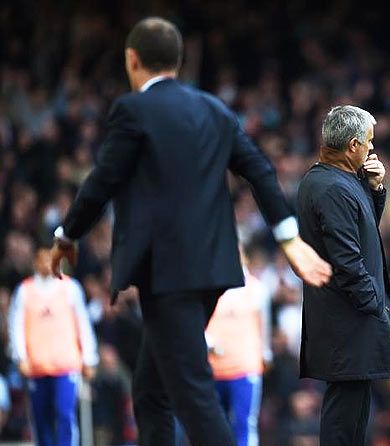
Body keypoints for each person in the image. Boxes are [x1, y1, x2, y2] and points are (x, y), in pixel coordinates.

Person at [49, 17, 332, 446]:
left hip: (168, 274)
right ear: (177, 62)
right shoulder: (214, 109)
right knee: (150, 391)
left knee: (193, 395)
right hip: (212, 270)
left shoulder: (133, 109)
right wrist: (288, 237)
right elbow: (259, 169)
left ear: (132, 59)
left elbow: (102, 180)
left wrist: (66, 236)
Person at [297, 105, 390, 446]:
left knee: (356, 409)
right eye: (368, 142)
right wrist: (373, 304)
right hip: (346, 316)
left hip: (347, 314)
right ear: (351, 145)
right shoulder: (332, 187)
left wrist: (375, 190)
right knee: (344, 413)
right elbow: (347, 260)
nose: (371, 149)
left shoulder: (338, 180)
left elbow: (362, 233)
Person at [9, 247, 98, 446]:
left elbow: (82, 323)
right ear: (35, 263)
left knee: (65, 414)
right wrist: (20, 357)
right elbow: (16, 326)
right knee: (41, 419)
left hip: (66, 364)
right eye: (42, 259)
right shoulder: (25, 291)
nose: (46, 264)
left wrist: (89, 358)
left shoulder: (70, 288)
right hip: (37, 366)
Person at [204, 249, 272, 446]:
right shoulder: (210, 287)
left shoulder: (256, 289)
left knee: (244, 424)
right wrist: (207, 343)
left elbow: (264, 325)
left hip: (245, 367)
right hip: (213, 368)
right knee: (214, 426)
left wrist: (265, 355)